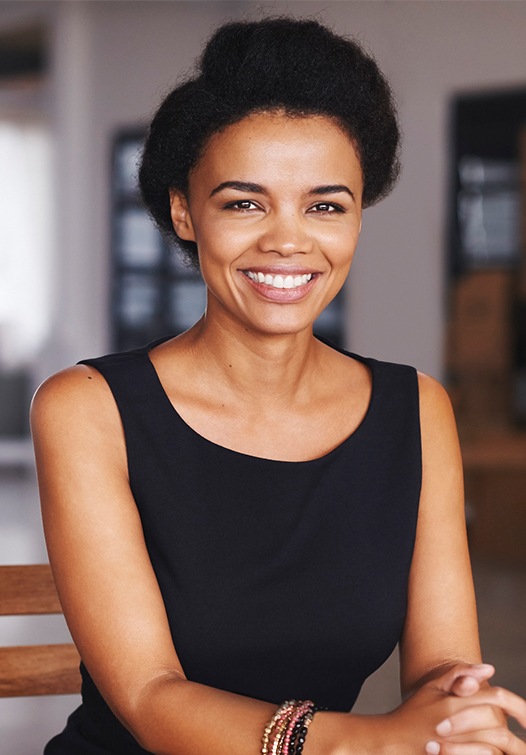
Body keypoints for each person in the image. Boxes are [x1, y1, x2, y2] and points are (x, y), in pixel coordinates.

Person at [31, 17, 526, 755]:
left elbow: (440, 665)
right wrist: (367, 742)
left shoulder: (417, 411)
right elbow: (148, 696)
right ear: (183, 211)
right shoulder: (87, 409)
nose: (289, 240)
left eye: (326, 205)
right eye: (244, 202)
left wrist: (456, 714)